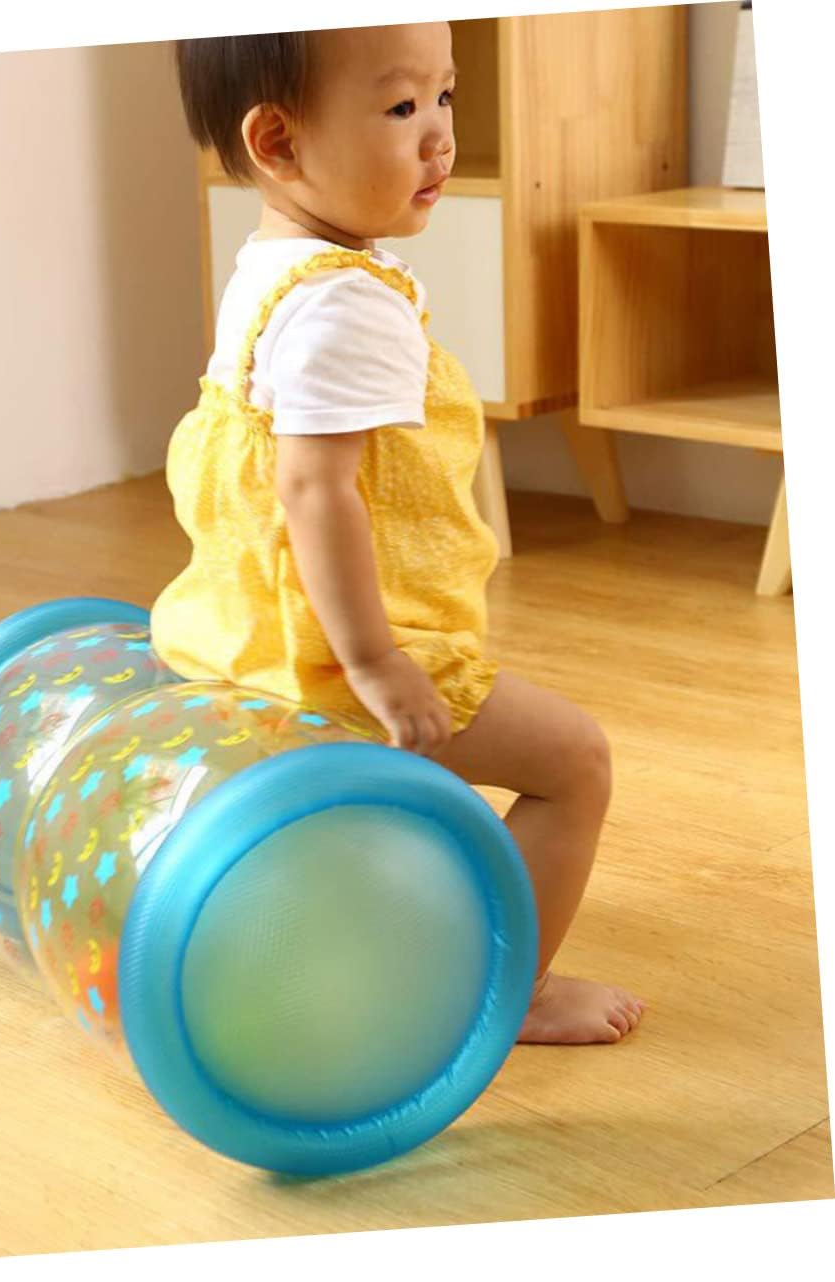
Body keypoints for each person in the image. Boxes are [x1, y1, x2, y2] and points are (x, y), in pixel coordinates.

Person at [150, 22, 643, 1044]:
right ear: (278, 141)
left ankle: (385, 925)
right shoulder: (347, 306)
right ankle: (516, 994)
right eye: (401, 107)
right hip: (337, 662)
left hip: (249, 638)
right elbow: (312, 490)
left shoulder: (272, 267)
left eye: (445, 97)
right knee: (575, 763)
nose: (440, 137)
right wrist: (375, 661)